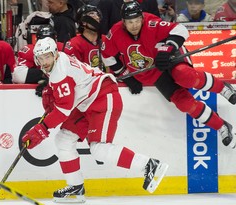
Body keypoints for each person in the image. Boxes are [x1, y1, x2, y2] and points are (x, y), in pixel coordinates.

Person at [22, 37, 169, 203]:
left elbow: (63, 110)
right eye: (40, 58)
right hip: (87, 101)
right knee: (64, 139)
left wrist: (42, 128)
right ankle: (76, 187)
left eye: (47, 56)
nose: (44, 61)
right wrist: (53, 94)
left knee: (99, 148)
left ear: (55, 54)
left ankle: (149, 165)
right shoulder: (58, 62)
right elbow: (69, 93)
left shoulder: (59, 72)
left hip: (103, 96)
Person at [101, 1, 236, 149]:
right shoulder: (115, 33)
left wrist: (167, 48)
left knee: (185, 76)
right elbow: (106, 56)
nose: (134, 25)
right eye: (130, 22)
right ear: (123, 22)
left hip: (168, 57)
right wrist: (126, 75)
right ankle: (222, 126)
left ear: (142, 18)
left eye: (137, 20)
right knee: (184, 103)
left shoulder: (151, 22)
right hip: (152, 74)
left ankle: (223, 88)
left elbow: (180, 29)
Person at [64, 4, 105, 71]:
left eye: (97, 15)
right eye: (92, 15)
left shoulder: (105, 39)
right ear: (83, 22)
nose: (97, 17)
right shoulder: (74, 44)